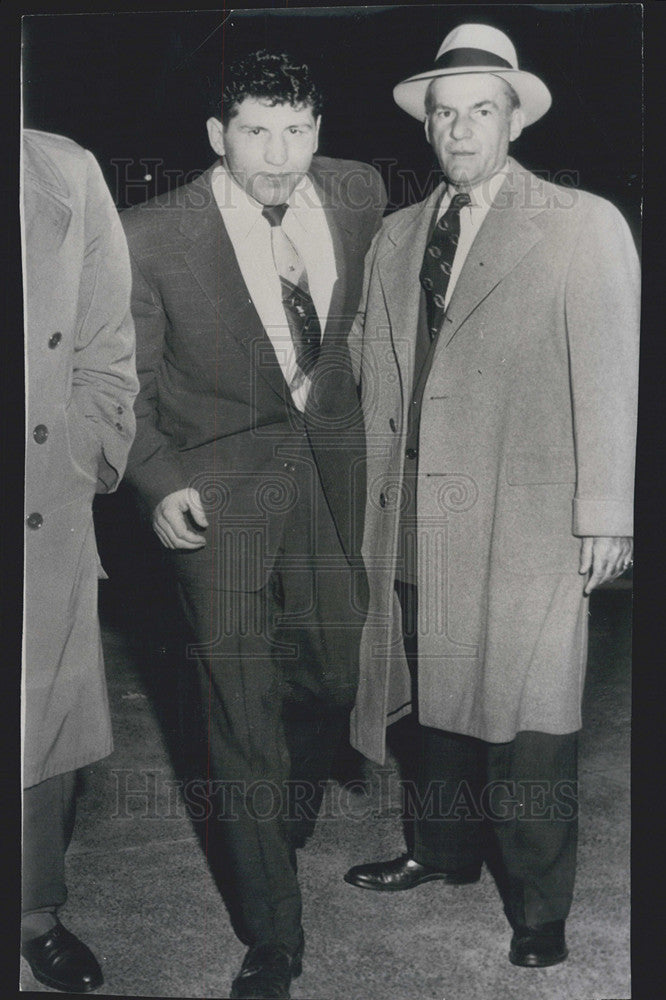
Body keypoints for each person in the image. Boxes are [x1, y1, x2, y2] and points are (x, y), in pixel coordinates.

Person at [344, 23, 639, 968]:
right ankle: (442, 850)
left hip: (527, 519)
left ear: (513, 120)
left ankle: (541, 904)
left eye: (482, 110)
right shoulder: (396, 236)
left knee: (529, 718)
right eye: (445, 114)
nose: (461, 129)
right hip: (416, 513)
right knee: (433, 698)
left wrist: (607, 513)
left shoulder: (581, 224)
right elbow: (367, 365)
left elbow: (610, 373)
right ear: (427, 128)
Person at [121, 50, 386, 998]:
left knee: (333, 670)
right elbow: (128, 385)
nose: (281, 155)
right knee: (237, 712)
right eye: (256, 132)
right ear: (215, 137)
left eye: (299, 129)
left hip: (329, 480)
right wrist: (155, 481)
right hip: (216, 492)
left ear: (322, 130)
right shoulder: (150, 234)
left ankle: (287, 798)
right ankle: (272, 932)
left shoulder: (356, 194)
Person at [22, 129, 138, 992]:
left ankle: (33, 911)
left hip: (35, 493)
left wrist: (83, 452)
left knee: (41, 713)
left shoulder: (62, 168)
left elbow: (105, 336)